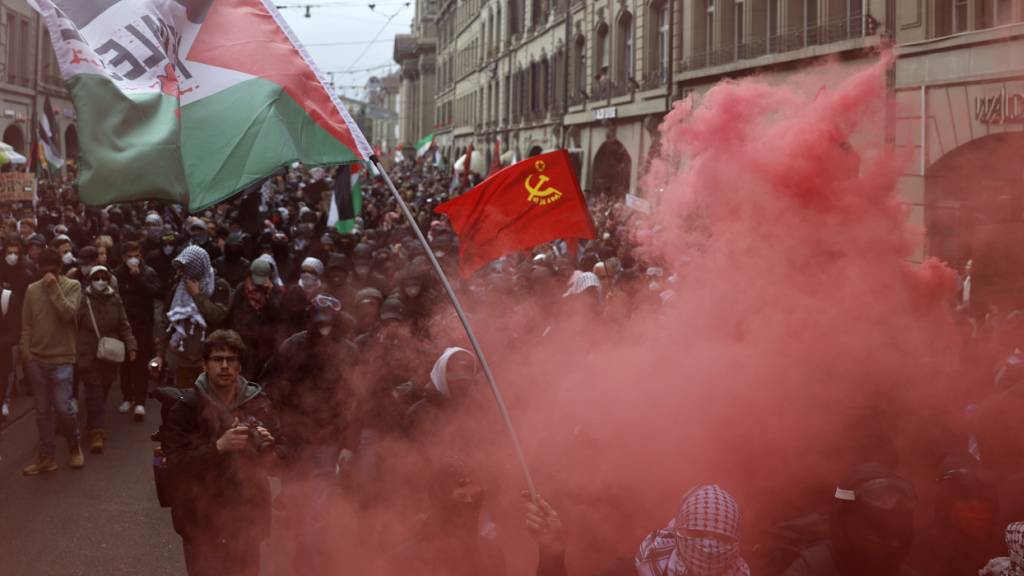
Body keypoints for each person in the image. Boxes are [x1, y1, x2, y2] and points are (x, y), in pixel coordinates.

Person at [160, 329, 280, 576]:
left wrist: (270, 448)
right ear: (204, 364)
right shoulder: (186, 408)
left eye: (231, 359)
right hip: (200, 518)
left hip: (246, 515)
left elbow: (277, 463)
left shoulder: (258, 402)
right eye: (217, 359)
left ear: (240, 366)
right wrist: (218, 447)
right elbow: (175, 465)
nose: (224, 366)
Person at [260, 294, 359, 573]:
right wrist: (278, 431)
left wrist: (349, 443)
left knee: (317, 512)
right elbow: (273, 390)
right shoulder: (292, 347)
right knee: (296, 505)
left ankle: (309, 564)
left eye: (329, 325)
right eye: (319, 324)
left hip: (327, 442)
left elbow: (355, 401)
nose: (323, 331)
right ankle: (301, 551)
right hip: (293, 439)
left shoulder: (348, 352)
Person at [783, 464, 917, 576]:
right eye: (878, 529)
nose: (894, 542)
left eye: (899, 532)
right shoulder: (812, 570)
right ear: (844, 524)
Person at [20, 248, 84, 475]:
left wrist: (54, 288)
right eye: (43, 270)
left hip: (63, 359)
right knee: (42, 411)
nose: (47, 274)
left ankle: (74, 444)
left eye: (52, 270)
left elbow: (69, 314)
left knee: (64, 408)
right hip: (36, 359)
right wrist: (26, 354)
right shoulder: (31, 290)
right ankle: (46, 456)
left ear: (60, 268)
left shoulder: (72, 286)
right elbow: (26, 325)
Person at [76, 265, 138, 453]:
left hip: (110, 354)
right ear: (90, 279)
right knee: (93, 390)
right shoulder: (82, 299)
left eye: (104, 277)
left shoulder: (115, 299)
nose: (101, 281)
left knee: (103, 389)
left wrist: (131, 345)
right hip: (88, 353)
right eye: (97, 277)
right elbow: (72, 324)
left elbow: (124, 324)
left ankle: (94, 422)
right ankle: (96, 431)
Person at [153, 245, 231, 389]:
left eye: (186, 267)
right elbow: (167, 320)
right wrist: (159, 353)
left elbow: (218, 316)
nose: (182, 272)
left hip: (209, 359)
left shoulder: (218, 286)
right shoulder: (179, 285)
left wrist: (196, 295)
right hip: (181, 358)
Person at [634, 484, 752, 576]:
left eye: (722, 538)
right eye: (698, 533)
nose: (709, 547)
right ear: (678, 531)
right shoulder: (650, 564)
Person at [225, 258, 283, 380]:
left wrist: (269, 295)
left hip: (264, 346)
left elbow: (278, 316)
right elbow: (232, 314)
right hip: (243, 341)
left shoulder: (275, 291)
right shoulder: (242, 289)